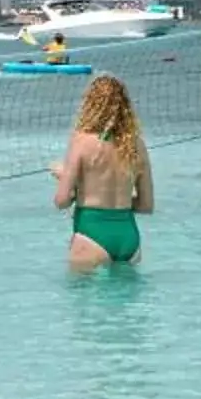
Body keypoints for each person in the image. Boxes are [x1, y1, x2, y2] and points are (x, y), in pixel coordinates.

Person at [53, 72, 153, 268]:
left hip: (92, 234)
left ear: (90, 105)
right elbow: (146, 205)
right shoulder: (136, 145)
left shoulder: (81, 141)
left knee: (85, 297)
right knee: (127, 298)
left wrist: (64, 177)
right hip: (128, 235)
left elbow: (61, 201)